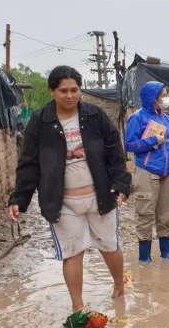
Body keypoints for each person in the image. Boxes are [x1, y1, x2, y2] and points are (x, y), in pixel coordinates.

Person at [8, 66, 131, 313]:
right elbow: (29, 163)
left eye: (74, 90)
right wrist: (19, 199)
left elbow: (115, 154)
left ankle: (119, 287)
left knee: (109, 246)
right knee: (72, 252)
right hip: (62, 202)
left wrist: (120, 185)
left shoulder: (95, 116)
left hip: (101, 198)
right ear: (52, 91)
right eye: (63, 90)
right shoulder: (41, 121)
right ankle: (78, 307)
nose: (70, 96)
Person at [125, 81, 169, 262]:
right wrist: (152, 140)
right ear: (153, 98)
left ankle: (166, 255)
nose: (166, 98)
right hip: (146, 172)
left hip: (166, 174)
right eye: (163, 95)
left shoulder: (164, 119)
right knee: (145, 216)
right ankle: (145, 259)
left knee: (165, 215)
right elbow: (130, 145)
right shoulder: (138, 118)